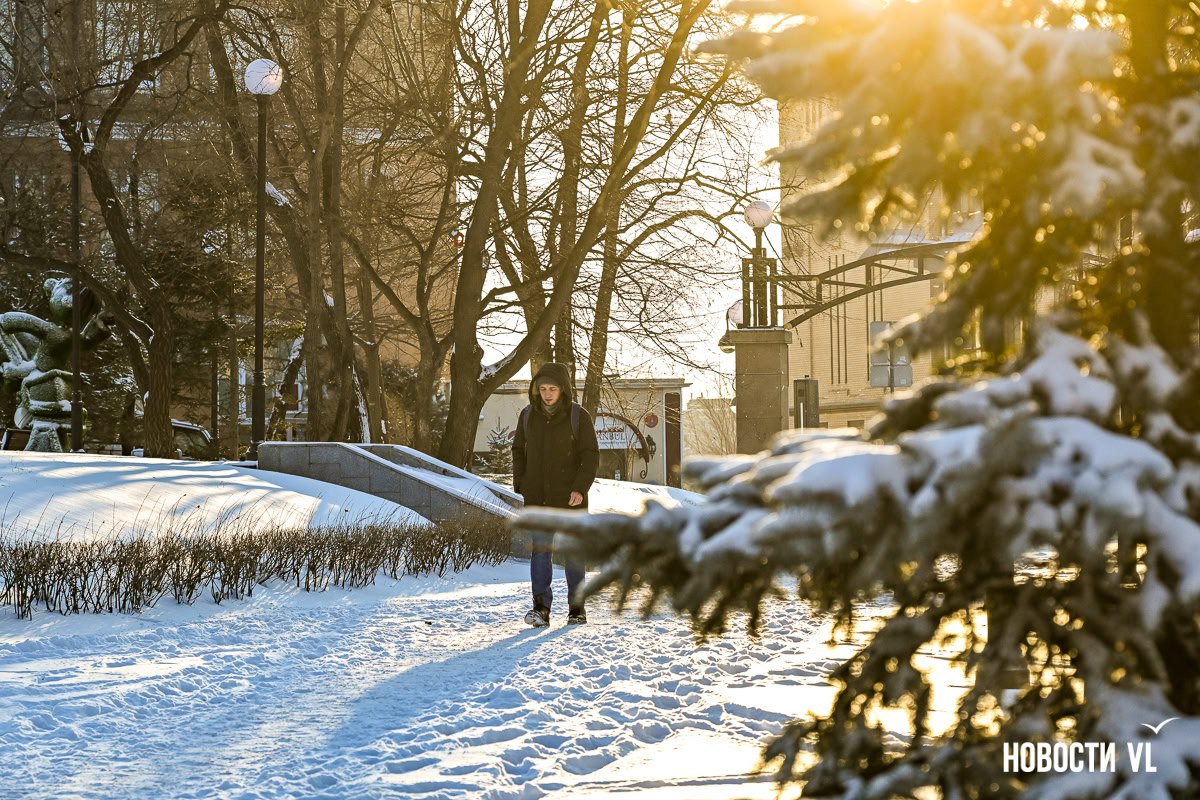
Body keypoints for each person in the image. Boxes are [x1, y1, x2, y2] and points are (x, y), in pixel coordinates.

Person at [512, 362, 599, 627]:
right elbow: (518, 450)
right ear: (536, 390)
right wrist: (521, 483)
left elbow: (590, 455)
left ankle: (577, 609)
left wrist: (579, 488)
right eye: (543, 389)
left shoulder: (578, 416)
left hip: (571, 499)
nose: (547, 394)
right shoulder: (528, 416)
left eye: (552, 389)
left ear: (563, 389)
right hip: (538, 498)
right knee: (540, 552)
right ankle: (541, 609)